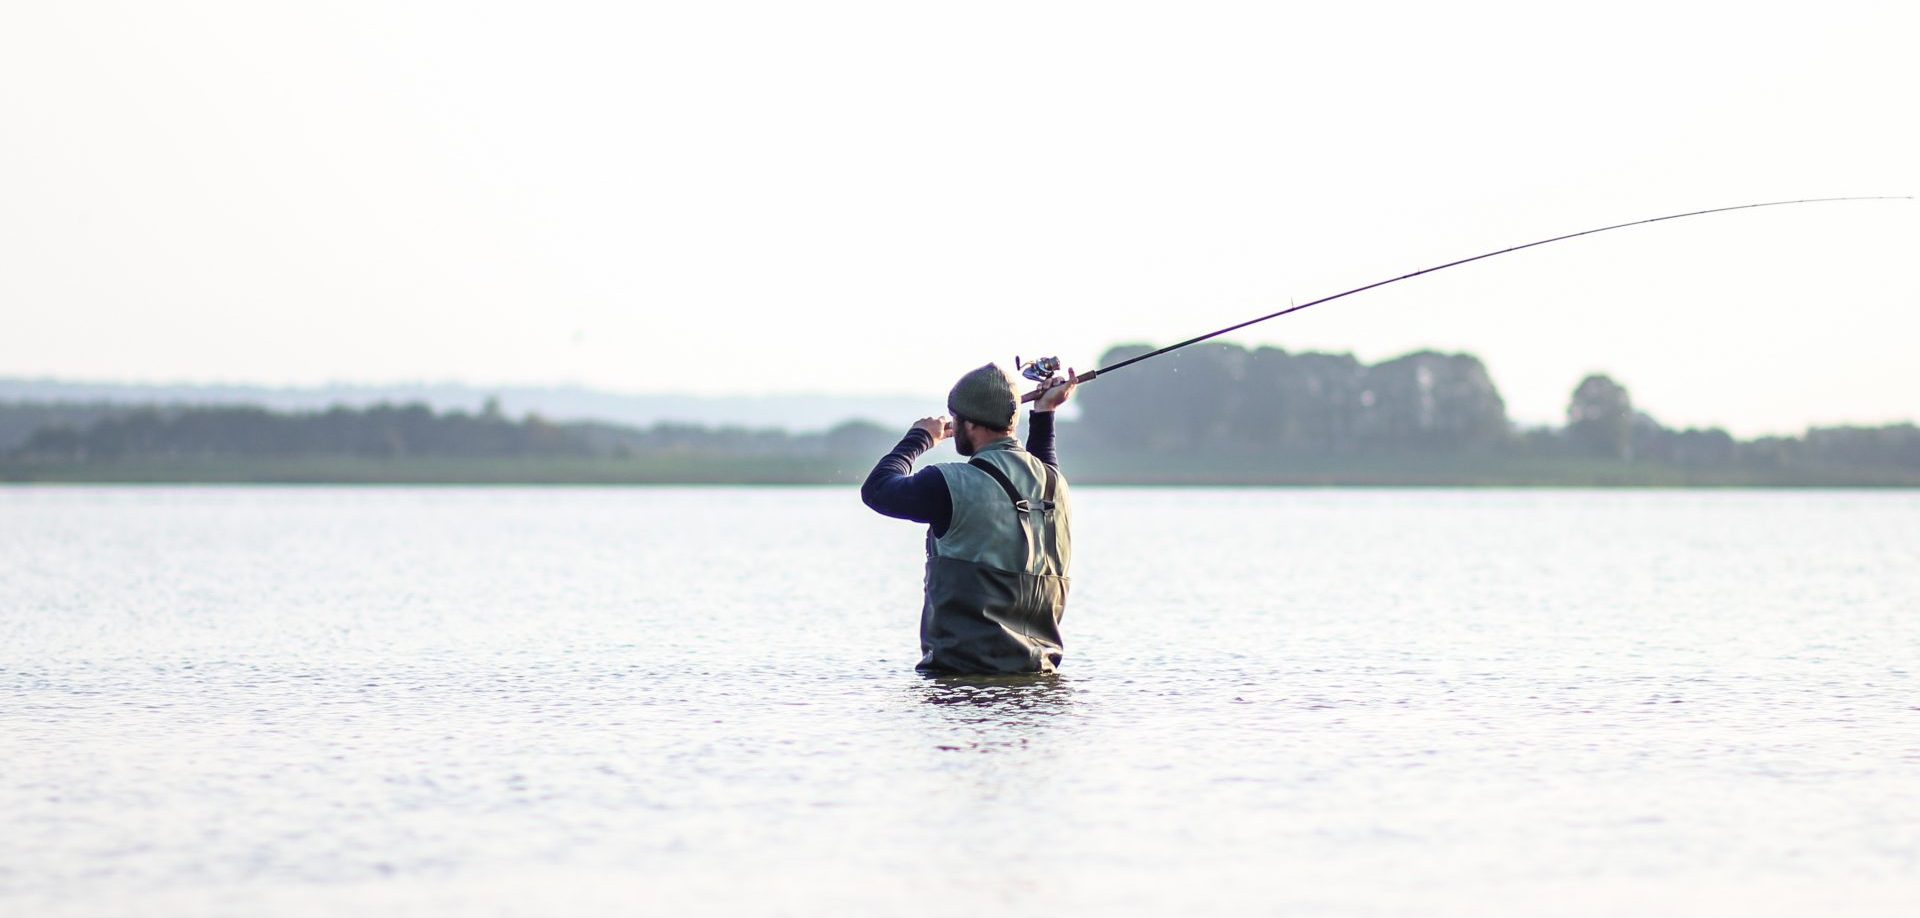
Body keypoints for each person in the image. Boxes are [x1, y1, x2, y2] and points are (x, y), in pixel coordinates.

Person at [861, 363, 1079, 674]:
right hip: (1040, 673)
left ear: (971, 425)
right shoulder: (1055, 485)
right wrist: (1044, 413)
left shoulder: (947, 483)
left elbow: (877, 490)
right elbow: (1042, 465)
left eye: (956, 418)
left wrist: (919, 438)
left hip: (960, 674)